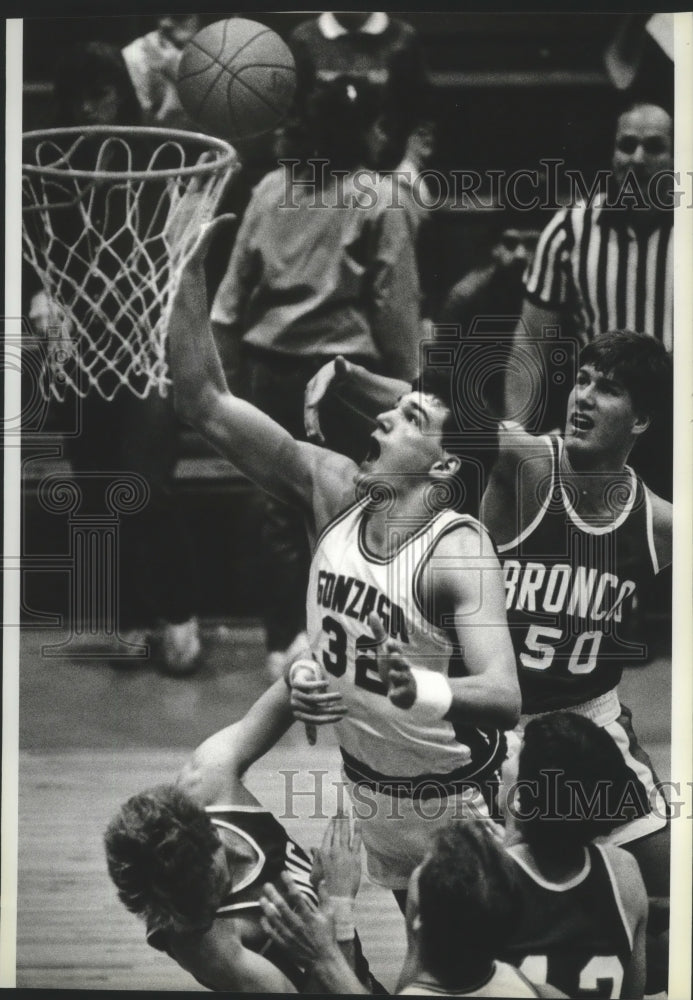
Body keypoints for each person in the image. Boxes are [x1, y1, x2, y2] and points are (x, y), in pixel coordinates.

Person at [303, 329, 671, 989]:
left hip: (590, 725)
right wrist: (354, 379)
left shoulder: (659, 525)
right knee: (464, 911)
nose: (582, 397)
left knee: (667, 878)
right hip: (497, 727)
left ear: (641, 418)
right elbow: (450, 413)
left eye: (607, 388)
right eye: (580, 380)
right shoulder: (528, 463)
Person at [169, 215, 521, 903]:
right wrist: (187, 275)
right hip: (368, 794)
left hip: (460, 810)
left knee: (457, 974)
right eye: (392, 411)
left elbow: (504, 696)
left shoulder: (458, 547)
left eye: (410, 419)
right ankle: (336, 954)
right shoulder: (329, 489)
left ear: (445, 463)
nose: (383, 419)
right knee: (203, 785)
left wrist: (413, 689)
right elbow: (204, 402)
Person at [211, 75, 425, 679]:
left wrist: (220, 387)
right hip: (342, 379)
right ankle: (343, 639)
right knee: (351, 505)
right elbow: (393, 302)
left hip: (269, 372)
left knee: (280, 506)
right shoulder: (380, 195)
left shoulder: (271, 188)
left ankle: (285, 644)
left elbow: (230, 298)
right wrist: (410, 384)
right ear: (363, 130)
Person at [27, 41, 201, 672]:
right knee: (97, 487)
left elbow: (180, 249)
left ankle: (179, 611)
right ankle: (128, 616)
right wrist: (39, 295)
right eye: (80, 93)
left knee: (147, 486)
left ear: (120, 93)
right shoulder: (45, 165)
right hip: (82, 350)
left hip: (146, 345)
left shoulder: (154, 155)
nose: (91, 105)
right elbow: (30, 253)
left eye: (102, 91)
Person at [104, 679, 380, 992]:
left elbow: (298, 673)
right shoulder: (206, 947)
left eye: (206, 893)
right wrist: (337, 900)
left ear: (210, 832)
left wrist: (303, 680)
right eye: (188, 912)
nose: (205, 915)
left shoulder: (207, 778)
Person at [505, 101, 673, 498]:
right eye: (626, 145)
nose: (637, 158)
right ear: (612, 154)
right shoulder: (571, 228)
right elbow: (531, 341)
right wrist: (515, 436)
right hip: (604, 422)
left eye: (653, 146)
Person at [260, 819, 565, 997]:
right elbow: (415, 964)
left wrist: (331, 939)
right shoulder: (539, 991)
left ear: (418, 920)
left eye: (426, 865)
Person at [499, 713, 648, 999]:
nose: (507, 760)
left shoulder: (477, 880)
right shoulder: (624, 872)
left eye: (517, 755)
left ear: (521, 793)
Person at [122, 15, 201, 129]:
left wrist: (175, 74)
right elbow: (143, 127)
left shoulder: (214, 48)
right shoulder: (134, 55)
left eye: (180, 14)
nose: (166, 23)